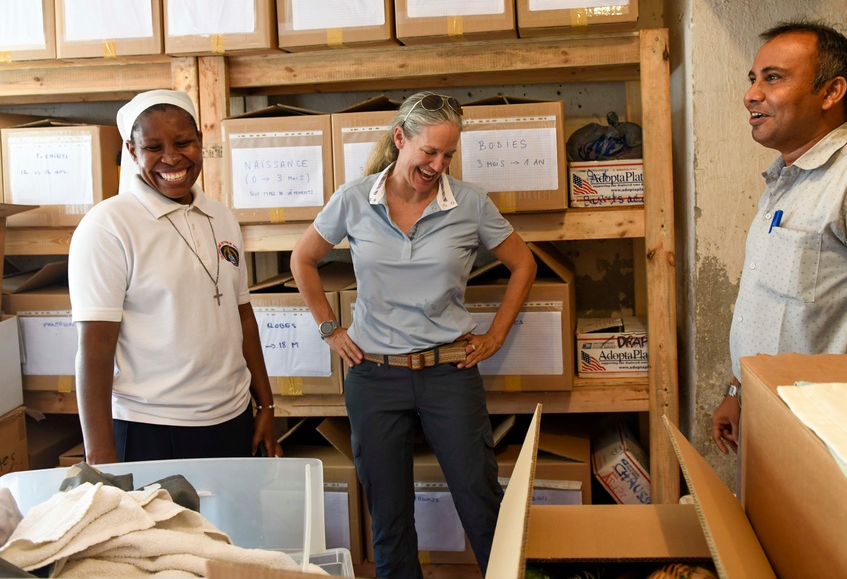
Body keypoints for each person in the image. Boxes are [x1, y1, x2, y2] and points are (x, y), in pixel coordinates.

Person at [290, 91, 537, 577]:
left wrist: (495, 336)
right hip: (374, 375)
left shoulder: (470, 204)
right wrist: (329, 329)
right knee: (390, 517)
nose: (438, 164)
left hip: (449, 371)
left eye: (448, 154)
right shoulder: (355, 199)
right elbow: (302, 259)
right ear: (401, 138)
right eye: (429, 151)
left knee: (481, 501)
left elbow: (523, 264)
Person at [711, 21, 847, 456]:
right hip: (768, 416)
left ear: (831, 92)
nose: (751, 94)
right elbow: (774, 312)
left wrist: (841, 443)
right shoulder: (786, 181)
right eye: (753, 79)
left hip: (825, 433)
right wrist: (738, 392)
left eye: (772, 78)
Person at [69, 89, 278, 465]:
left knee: (235, 527)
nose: (171, 157)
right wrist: (100, 455)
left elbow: (243, 317)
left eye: (184, 142)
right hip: (151, 427)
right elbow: (94, 349)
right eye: (153, 147)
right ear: (132, 152)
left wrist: (265, 404)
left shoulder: (222, 216)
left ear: (200, 141)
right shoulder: (107, 226)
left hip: (232, 419)